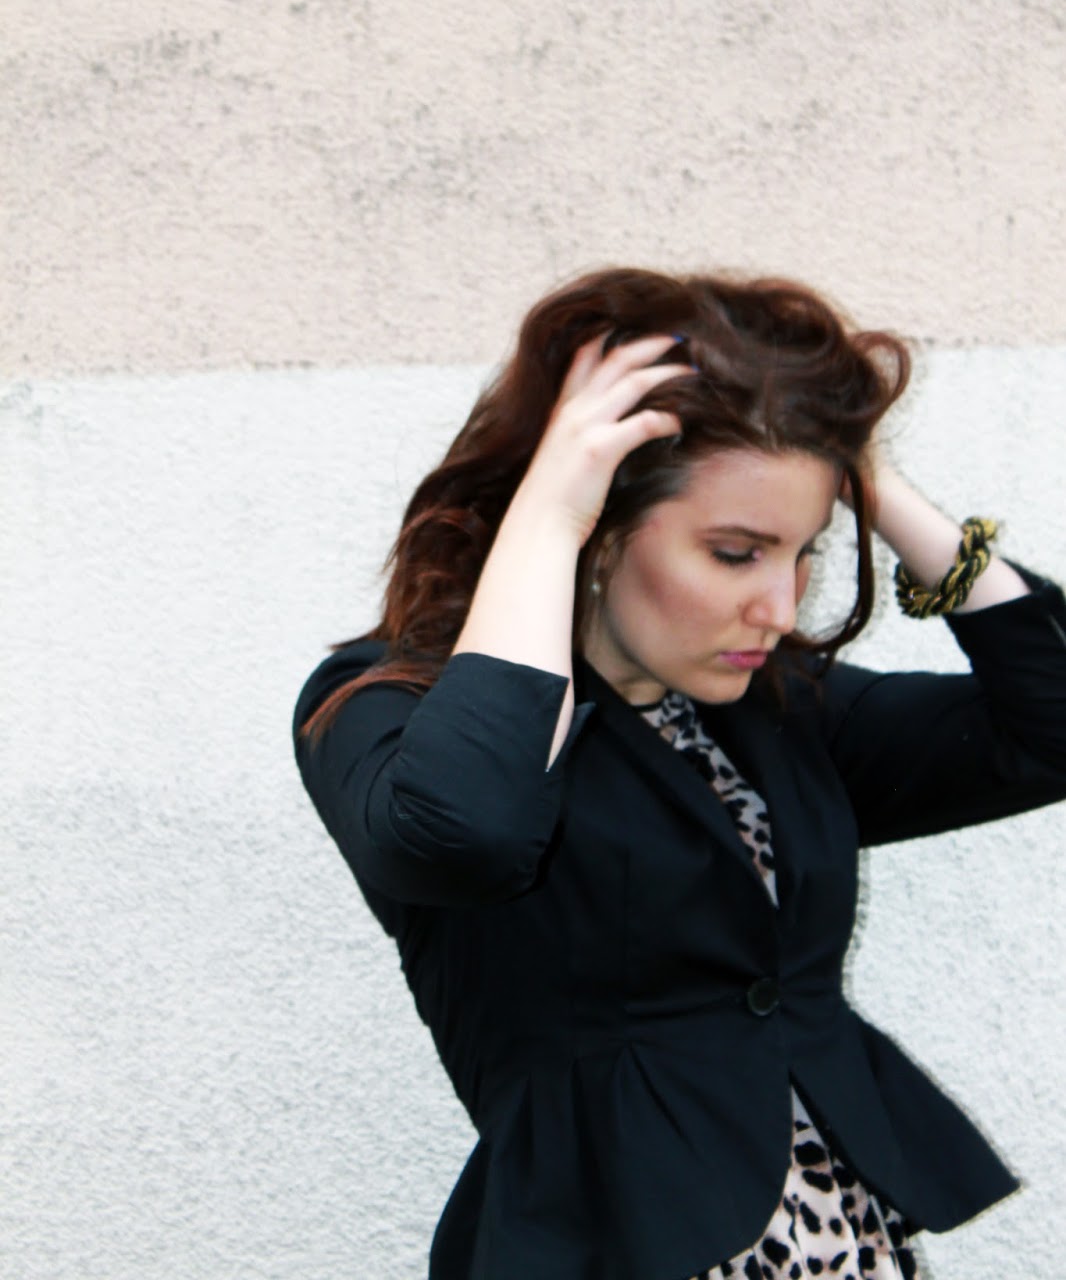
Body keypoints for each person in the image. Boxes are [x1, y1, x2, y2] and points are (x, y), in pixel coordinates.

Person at [293, 267, 1066, 1280]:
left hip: (842, 1247)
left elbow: (1049, 725)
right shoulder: (387, 705)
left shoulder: (778, 711)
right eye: (737, 552)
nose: (780, 608)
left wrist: (865, 474)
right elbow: (465, 832)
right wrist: (545, 516)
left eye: (803, 552)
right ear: (603, 531)